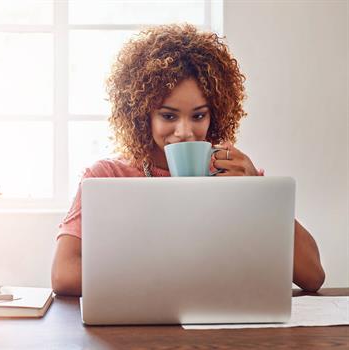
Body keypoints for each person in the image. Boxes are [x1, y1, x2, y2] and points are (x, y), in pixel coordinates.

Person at [51, 24, 325, 296]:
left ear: (214, 116)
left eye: (198, 116)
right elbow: (63, 274)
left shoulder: (233, 174)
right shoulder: (106, 176)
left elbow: (312, 276)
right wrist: (174, 282)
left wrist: (258, 192)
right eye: (168, 116)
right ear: (142, 116)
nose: (185, 132)